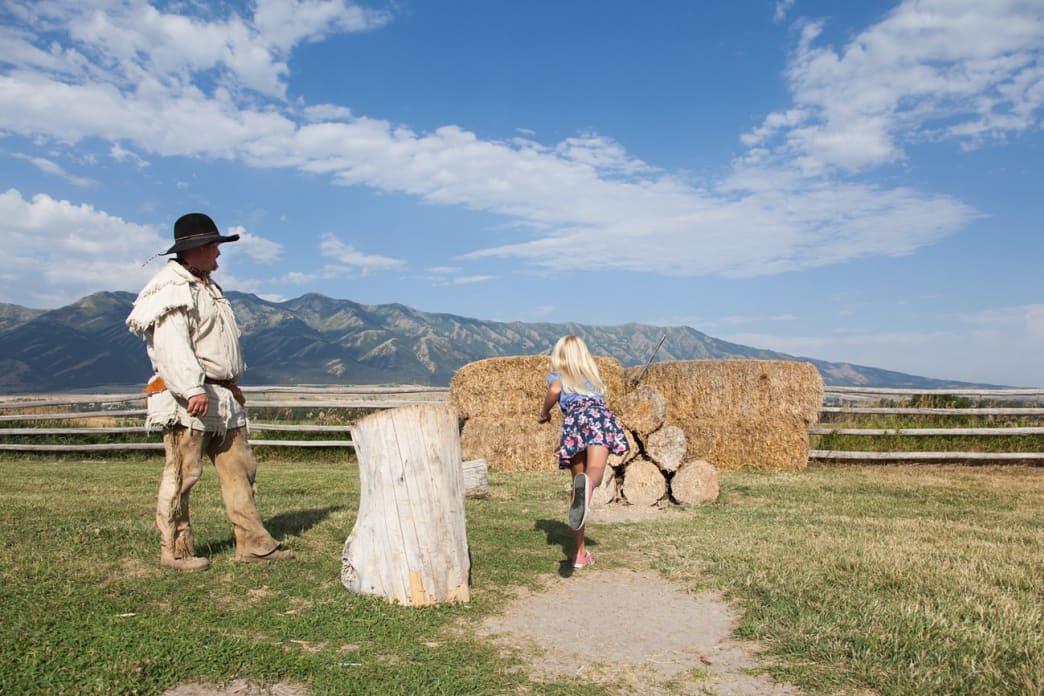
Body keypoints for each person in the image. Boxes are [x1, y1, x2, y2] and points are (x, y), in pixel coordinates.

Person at [126, 212, 293, 572]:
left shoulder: (205, 287)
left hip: (221, 396)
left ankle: (253, 542)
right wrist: (190, 388)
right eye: (213, 245)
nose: (218, 253)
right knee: (183, 473)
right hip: (191, 397)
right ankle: (176, 549)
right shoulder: (172, 290)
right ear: (196, 249)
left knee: (240, 468)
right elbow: (172, 345)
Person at [538, 335, 629, 569]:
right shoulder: (593, 377)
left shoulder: (557, 376)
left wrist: (545, 412)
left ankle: (579, 553)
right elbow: (594, 404)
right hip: (599, 417)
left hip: (574, 422)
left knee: (577, 489)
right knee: (595, 471)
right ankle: (588, 483)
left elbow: (555, 390)